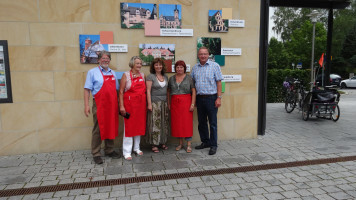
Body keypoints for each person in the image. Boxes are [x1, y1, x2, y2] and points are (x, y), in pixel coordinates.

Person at [84, 51, 121, 164]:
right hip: (99, 104)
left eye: (107, 58)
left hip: (112, 104)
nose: (105, 60)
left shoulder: (113, 73)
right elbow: (87, 89)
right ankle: (96, 153)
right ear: (99, 60)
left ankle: (109, 150)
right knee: (98, 128)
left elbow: (116, 90)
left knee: (111, 126)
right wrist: (86, 105)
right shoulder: (92, 72)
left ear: (109, 60)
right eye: (103, 58)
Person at [191, 47, 223, 155]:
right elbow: (193, 85)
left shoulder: (215, 66)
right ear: (198, 55)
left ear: (208, 54)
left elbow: (219, 83)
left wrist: (219, 98)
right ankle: (205, 142)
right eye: (201, 54)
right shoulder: (195, 68)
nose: (203, 56)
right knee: (202, 122)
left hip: (211, 98)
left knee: (212, 123)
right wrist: (194, 100)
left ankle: (213, 145)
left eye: (205, 54)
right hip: (200, 98)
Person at [119, 56, 147, 160]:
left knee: (139, 126)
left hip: (140, 105)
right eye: (137, 63)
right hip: (129, 105)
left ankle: (136, 148)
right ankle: (127, 151)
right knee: (129, 127)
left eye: (140, 63)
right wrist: (121, 106)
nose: (139, 65)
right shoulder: (126, 75)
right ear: (132, 64)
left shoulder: (143, 75)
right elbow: (121, 92)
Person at [167, 60, 196, 153]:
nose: (179, 69)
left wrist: (192, 103)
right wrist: (168, 103)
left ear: (184, 68)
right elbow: (168, 91)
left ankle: (188, 144)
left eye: (181, 67)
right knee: (178, 124)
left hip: (186, 102)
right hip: (175, 103)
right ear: (175, 68)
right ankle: (180, 143)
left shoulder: (189, 78)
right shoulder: (171, 78)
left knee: (186, 123)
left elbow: (194, 91)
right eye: (177, 67)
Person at [146, 58, 170, 153]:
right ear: (153, 66)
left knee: (164, 123)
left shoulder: (166, 76)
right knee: (155, 123)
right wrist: (149, 104)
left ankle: (162, 142)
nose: (158, 66)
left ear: (162, 66)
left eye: (160, 65)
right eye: (156, 65)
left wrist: (168, 103)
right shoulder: (150, 77)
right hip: (154, 103)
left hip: (164, 103)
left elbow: (167, 91)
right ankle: (154, 144)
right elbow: (148, 91)